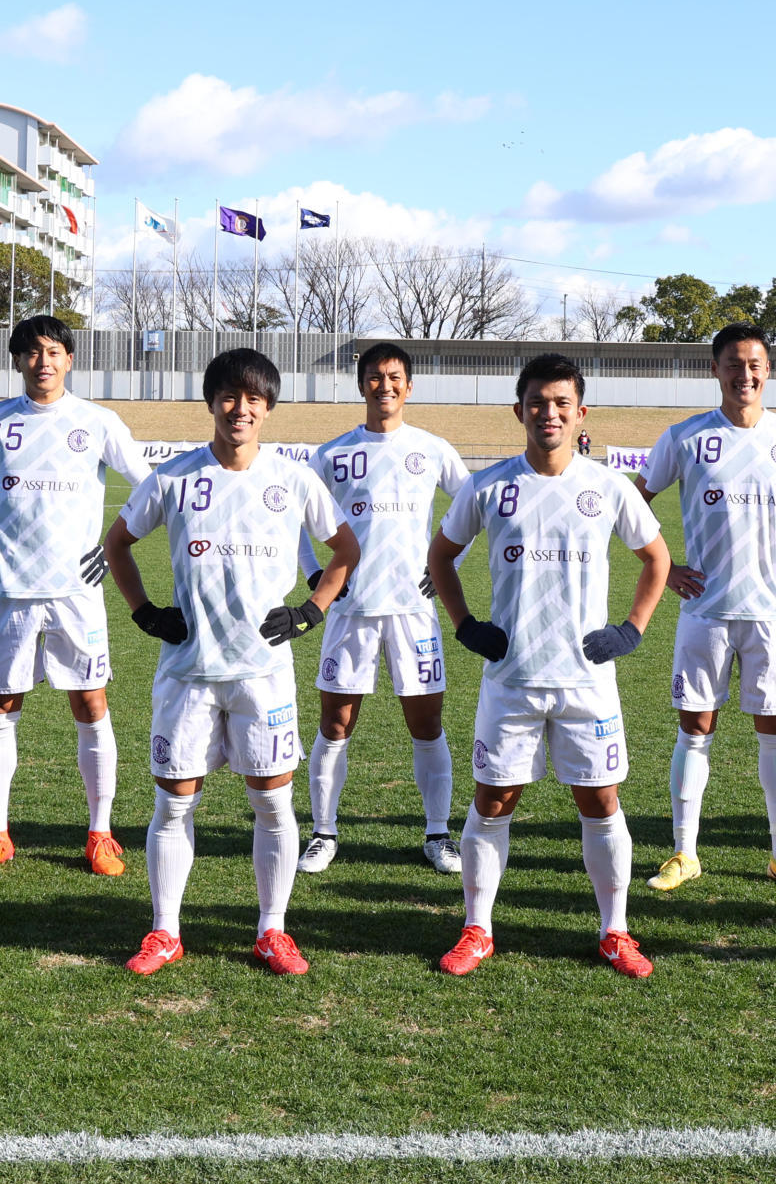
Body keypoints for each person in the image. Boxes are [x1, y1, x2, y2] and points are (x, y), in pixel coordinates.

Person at [102, 348, 358, 978]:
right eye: (229, 396)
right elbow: (117, 545)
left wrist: (311, 610)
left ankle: (273, 930)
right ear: (211, 401)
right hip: (187, 674)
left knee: (272, 806)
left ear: (268, 408)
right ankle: (164, 931)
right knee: (173, 806)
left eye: (253, 399)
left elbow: (346, 548)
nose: (240, 409)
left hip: (261, 677)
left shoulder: (294, 479)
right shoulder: (174, 477)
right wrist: (145, 612)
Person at [428, 353, 671, 978]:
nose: (549, 413)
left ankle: (615, 930)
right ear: (519, 410)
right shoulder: (488, 485)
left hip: (588, 682)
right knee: (493, 800)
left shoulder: (609, 486)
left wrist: (631, 630)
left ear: (580, 412)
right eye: (538, 402)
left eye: (562, 403)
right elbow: (441, 557)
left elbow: (657, 559)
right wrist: (465, 625)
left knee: (600, 800)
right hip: (511, 678)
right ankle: (477, 928)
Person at [0, 315, 157, 880]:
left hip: (77, 595)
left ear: (69, 359)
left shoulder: (97, 421)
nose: (44, 362)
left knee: (91, 706)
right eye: (33, 352)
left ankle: (101, 834)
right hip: (11, 593)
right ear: (17, 360)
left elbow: (152, 486)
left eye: (55, 351)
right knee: (0, 709)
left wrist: (115, 545)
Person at [635, 323, 776, 893]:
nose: (744, 374)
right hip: (705, 610)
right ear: (715, 370)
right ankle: (683, 852)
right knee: (695, 726)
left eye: (754, 364)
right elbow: (635, 500)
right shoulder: (684, 437)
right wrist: (665, 566)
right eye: (733, 363)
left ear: (767, 370)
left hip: (772, 613)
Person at [293, 342, 472, 875]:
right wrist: (313, 576)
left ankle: (438, 833)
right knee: (335, 722)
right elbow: (300, 520)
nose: (385, 385)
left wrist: (444, 565)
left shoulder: (433, 449)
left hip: (413, 609)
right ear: (361, 384)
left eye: (395, 377)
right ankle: (324, 832)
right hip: (350, 609)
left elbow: (473, 509)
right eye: (375, 377)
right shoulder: (330, 454)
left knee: (427, 723)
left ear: (409, 386)